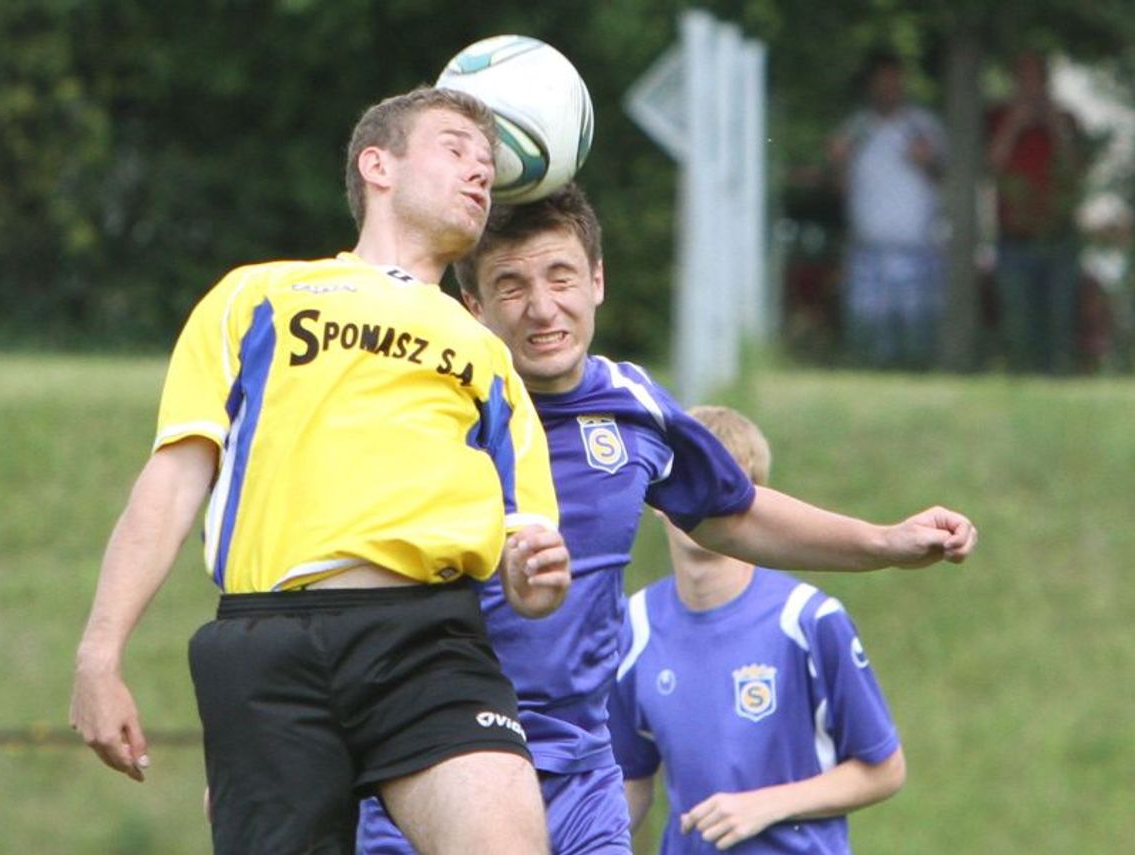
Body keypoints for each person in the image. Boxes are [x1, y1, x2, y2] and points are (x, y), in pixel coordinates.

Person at [358, 182, 976, 854]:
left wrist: (884, 540)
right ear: (472, 305)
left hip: (581, 771)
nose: (542, 308)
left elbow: (733, 510)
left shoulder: (631, 404)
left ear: (597, 280)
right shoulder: (431, 409)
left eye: (560, 276)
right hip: (439, 761)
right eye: (510, 285)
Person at [69, 86, 573, 855]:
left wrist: (535, 576)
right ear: (378, 165)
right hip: (268, 645)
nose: (481, 172)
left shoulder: (488, 354)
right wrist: (98, 654)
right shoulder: (256, 296)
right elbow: (173, 482)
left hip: (430, 642)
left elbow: (527, 547)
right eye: (455, 149)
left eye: (488, 163)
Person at [609, 405, 906, 853]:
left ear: (755, 500)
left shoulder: (808, 621)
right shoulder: (632, 625)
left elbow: (884, 769)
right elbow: (630, 783)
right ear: (656, 498)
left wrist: (765, 805)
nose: (700, 503)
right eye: (685, 484)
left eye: (721, 486)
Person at [827, 48, 948, 370]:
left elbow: (946, 178)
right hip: (867, 249)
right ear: (870, 85)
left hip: (917, 247)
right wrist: (838, 164)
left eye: (894, 81)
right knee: (867, 335)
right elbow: (839, 187)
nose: (888, 88)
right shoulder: (856, 128)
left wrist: (927, 161)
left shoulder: (922, 127)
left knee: (917, 334)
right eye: (881, 82)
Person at [986, 49, 1086, 374]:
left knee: (1060, 318)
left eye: (1036, 78)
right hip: (1014, 235)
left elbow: (1075, 171)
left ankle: (1060, 377)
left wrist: (1054, 126)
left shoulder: (1066, 119)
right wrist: (1015, 125)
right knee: (1018, 321)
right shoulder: (998, 117)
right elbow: (991, 167)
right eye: (1022, 78)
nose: (1029, 86)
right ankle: (1021, 377)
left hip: (1058, 234)